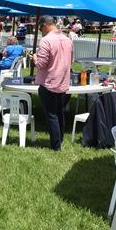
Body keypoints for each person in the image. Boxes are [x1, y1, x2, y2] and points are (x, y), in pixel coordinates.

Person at [33, 15, 73, 151]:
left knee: (52, 115)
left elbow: (41, 64)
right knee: (59, 113)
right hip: (63, 82)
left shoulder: (46, 40)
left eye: (40, 28)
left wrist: (35, 59)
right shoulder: (68, 40)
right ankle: (60, 139)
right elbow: (70, 60)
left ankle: (56, 145)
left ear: (44, 25)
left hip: (49, 83)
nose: (40, 31)